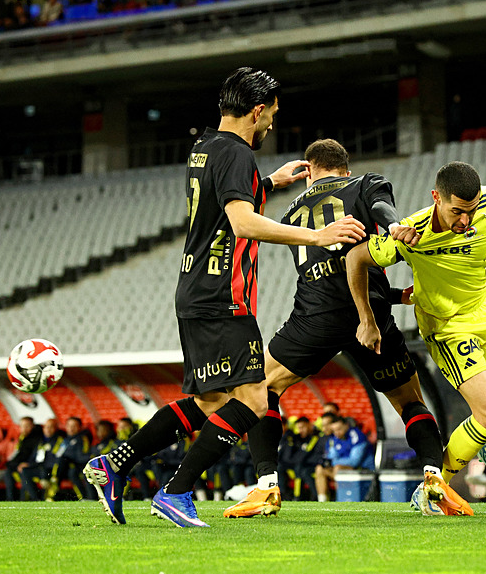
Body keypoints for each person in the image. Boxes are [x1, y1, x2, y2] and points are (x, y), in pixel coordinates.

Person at [83, 68, 365, 527]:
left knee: (213, 403)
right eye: (271, 113)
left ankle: (114, 463)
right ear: (257, 110)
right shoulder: (236, 154)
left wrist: (269, 184)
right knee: (254, 400)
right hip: (223, 295)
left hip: (194, 290)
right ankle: (175, 493)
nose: (272, 122)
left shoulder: (205, 146)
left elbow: (223, 201)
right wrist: (318, 235)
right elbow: (243, 223)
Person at [224, 138, 465, 518]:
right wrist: (395, 227)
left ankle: (266, 486)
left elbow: (326, 263)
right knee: (409, 401)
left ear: (310, 170)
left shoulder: (291, 210)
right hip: (370, 313)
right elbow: (382, 213)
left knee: (261, 389)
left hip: (316, 316)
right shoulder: (365, 183)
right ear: (345, 169)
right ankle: (435, 480)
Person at [347, 161, 486, 505]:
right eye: (457, 212)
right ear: (436, 197)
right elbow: (356, 258)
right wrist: (367, 318)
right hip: (448, 326)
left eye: (471, 211)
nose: (465, 221)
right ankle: (434, 489)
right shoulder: (410, 233)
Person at [315, 416, 374, 502]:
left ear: (346, 425)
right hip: (344, 469)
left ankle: (340, 499)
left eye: (339, 429)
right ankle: (322, 501)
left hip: (363, 470)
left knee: (338, 468)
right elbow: (331, 456)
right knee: (319, 469)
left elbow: (354, 461)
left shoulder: (357, 437)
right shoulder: (335, 438)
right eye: (334, 430)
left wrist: (333, 462)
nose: (336, 433)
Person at [47, 417, 91, 501]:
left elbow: (82, 456)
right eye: (69, 426)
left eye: (74, 426)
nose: (71, 428)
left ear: (80, 427)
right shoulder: (64, 440)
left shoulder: (82, 439)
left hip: (76, 466)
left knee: (72, 471)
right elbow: (56, 454)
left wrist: (69, 457)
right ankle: (50, 494)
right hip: (62, 468)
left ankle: (84, 497)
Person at [19, 418, 64, 501]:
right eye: (46, 427)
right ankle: (35, 499)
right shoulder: (41, 441)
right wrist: (28, 464)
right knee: (24, 471)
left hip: (51, 471)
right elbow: (34, 457)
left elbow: (57, 459)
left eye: (51, 427)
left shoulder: (60, 441)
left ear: (55, 428)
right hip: (40, 468)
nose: (48, 430)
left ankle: (43, 498)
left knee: (45, 476)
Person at [3, 416, 43, 501]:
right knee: (8, 472)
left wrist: (28, 464)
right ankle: (10, 499)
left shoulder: (38, 438)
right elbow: (18, 453)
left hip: (32, 465)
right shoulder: (23, 438)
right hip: (21, 464)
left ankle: (30, 499)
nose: (24, 429)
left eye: (27, 426)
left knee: (23, 471)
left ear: (32, 426)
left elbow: (35, 455)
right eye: (22, 426)